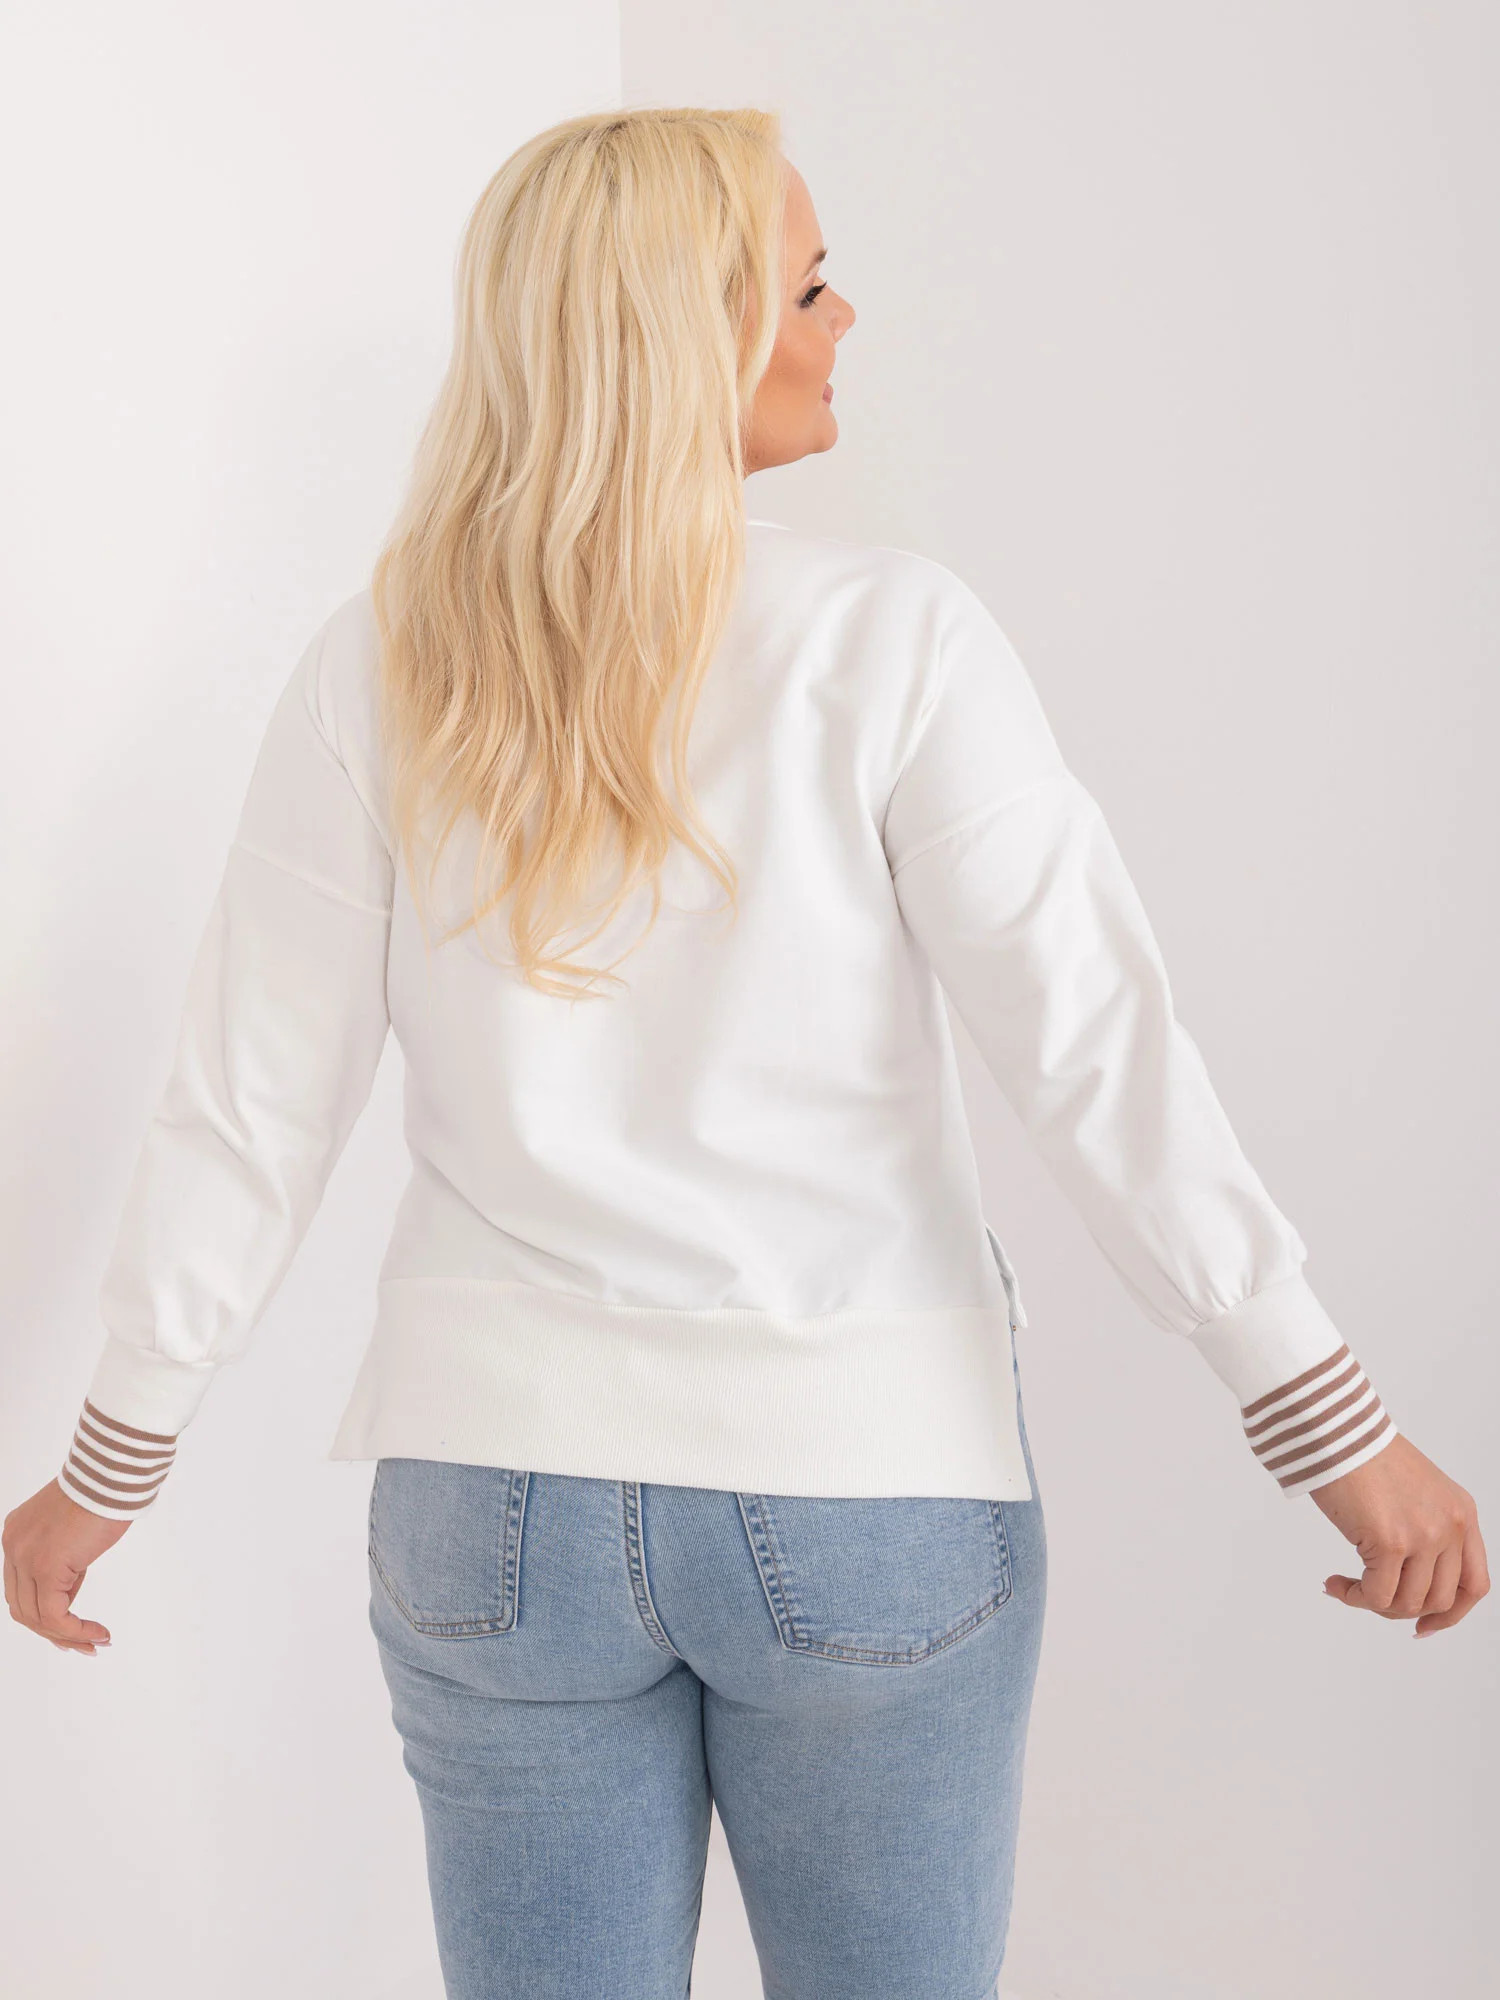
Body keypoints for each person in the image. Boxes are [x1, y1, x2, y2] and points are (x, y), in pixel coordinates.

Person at [3, 106, 1487, 2000]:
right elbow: (1096, 1052)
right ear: (678, 337)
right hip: (865, 1490)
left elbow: (247, 1105)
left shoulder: (378, 665)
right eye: (804, 287)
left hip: (493, 1515)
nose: (844, 317)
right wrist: (1329, 1425)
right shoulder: (895, 640)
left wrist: (111, 1465)